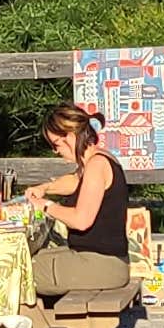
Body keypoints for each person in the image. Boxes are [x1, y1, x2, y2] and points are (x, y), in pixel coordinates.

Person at [24, 100, 137, 303]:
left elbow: (81, 220)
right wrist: (44, 188)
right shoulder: (99, 159)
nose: (55, 151)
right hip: (101, 261)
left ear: (70, 136)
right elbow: (75, 181)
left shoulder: (96, 166)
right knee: (28, 259)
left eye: (56, 144)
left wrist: (47, 206)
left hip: (102, 265)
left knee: (16, 271)